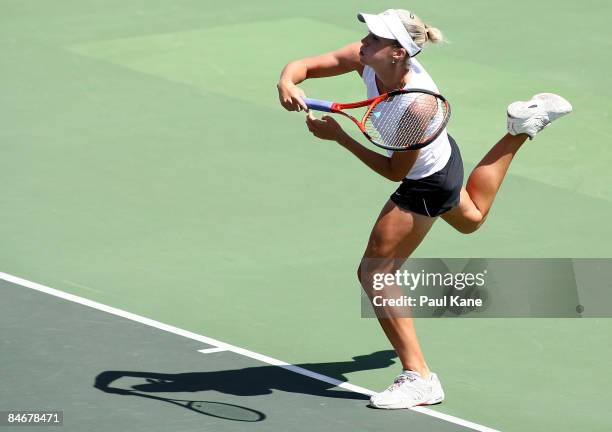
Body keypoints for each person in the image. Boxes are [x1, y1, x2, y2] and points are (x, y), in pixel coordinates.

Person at [276, 9, 572, 409]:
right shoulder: (364, 57)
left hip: (425, 181)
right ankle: (520, 128)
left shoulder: (415, 108)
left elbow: (392, 170)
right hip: (444, 159)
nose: (364, 41)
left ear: (398, 52)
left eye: (375, 38)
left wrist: (340, 137)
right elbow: (306, 66)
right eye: (367, 34)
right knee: (471, 219)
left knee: (375, 272)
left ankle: (420, 377)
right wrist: (287, 81)